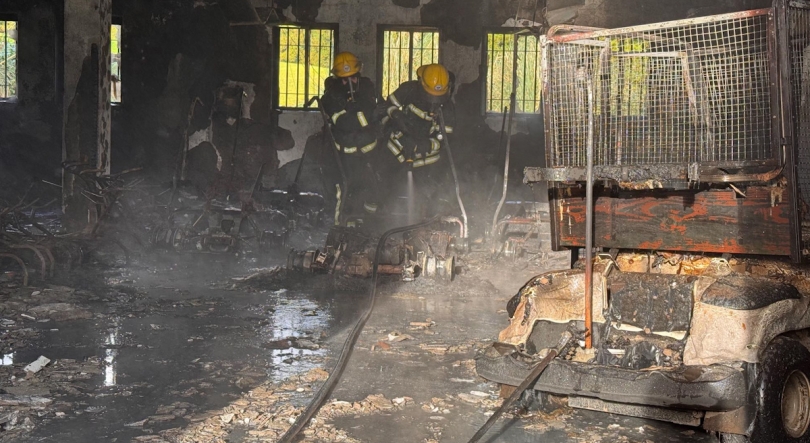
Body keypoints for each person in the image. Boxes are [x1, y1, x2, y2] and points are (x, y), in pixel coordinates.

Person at [383, 63, 455, 216]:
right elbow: (385, 108)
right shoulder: (408, 90)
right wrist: (396, 115)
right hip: (398, 153)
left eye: (438, 97)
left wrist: (424, 144)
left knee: (426, 199)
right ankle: (385, 221)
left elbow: (445, 142)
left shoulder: (447, 109)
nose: (434, 102)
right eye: (430, 95)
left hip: (427, 163)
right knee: (389, 193)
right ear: (421, 84)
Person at [321, 52, 381, 225]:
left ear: (358, 73)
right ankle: (342, 230)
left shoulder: (367, 86)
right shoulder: (331, 96)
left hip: (369, 152)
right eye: (344, 80)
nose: (349, 83)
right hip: (344, 156)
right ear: (337, 78)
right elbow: (343, 123)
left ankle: (369, 224)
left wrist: (359, 116)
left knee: (373, 189)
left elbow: (371, 114)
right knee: (345, 190)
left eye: (353, 78)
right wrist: (365, 118)